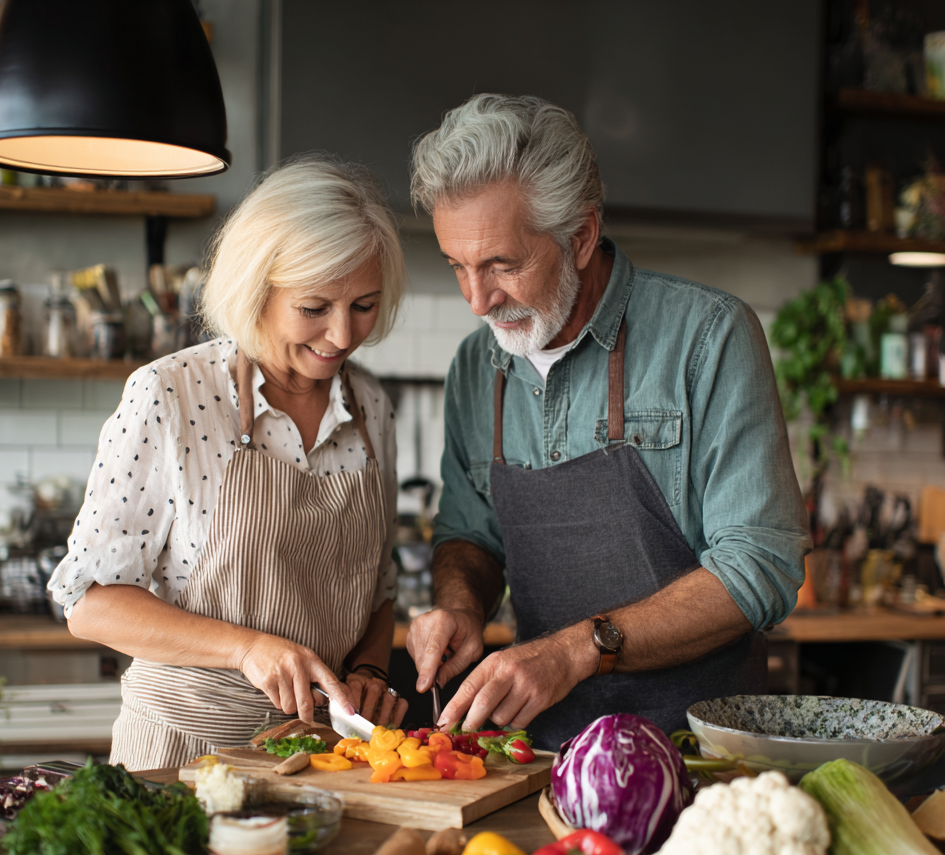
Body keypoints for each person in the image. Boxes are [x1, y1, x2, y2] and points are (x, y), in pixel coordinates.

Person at [406, 94, 811, 751]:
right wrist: (460, 604)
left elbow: (761, 564)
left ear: (582, 235)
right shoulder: (477, 366)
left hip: (698, 753)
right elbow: (467, 533)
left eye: (503, 265)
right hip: (539, 755)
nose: (478, 300)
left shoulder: (708, 338)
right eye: (458, 266)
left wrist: (580, 648)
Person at [50, 156, 408, 770]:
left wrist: (372, 667)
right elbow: (87, 601)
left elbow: (379, 589)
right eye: (315, 307)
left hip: (321, 762)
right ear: (257, 287)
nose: (343, 334)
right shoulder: (171, 394)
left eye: (365, 305)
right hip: (180, 758)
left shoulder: (370, 404)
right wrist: (245, 648)